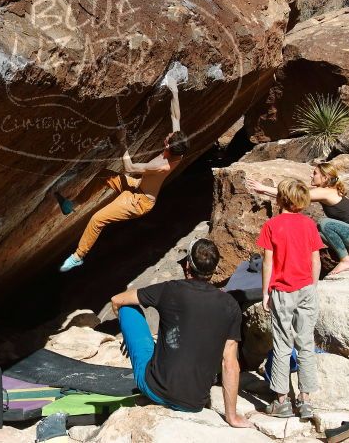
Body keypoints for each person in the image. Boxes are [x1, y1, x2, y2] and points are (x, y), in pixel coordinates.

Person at [110, 238, 251, 428]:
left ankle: (135, 347)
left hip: (154, 389)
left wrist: (129, 336)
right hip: (194, 403)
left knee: (128, 308)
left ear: (187, 265)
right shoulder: (230, 306)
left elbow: (117, 300)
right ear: (214, 270)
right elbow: (230, 364)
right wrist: (231, 417)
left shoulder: (170, 290)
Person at [60, 74, 189, 272]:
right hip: (137, 186)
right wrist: (175, 91)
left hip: (139, 202)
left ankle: (79, 256)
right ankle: (71, 205)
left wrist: (122, 142)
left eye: (169, 137)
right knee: (104, 175)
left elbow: (130, 167)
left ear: (167, 146)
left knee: (97, 219)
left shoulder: (162, 165)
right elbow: (175, 117)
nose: (169, 134)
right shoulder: (179, 149)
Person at [257, 178, 323, 419]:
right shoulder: (309, 224)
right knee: (305, 344)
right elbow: (315, 260)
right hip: (306, 288)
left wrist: (266, 292)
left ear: (280, 198)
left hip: (283, 291)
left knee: (283, 346)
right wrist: (312, 287)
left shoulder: (272, 225)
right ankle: (305, 401)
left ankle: (282, 401)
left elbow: (268, 262)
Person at [248, 162, 349, 275]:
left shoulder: (327, 192)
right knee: (316, 234)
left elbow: (294, 195)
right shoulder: (327, 191)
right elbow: (290, 195)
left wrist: (263, 188)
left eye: (315, 173)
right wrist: (264, 192)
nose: (311, 175)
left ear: (325, 177)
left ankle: (346, 260)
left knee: (325, 223)